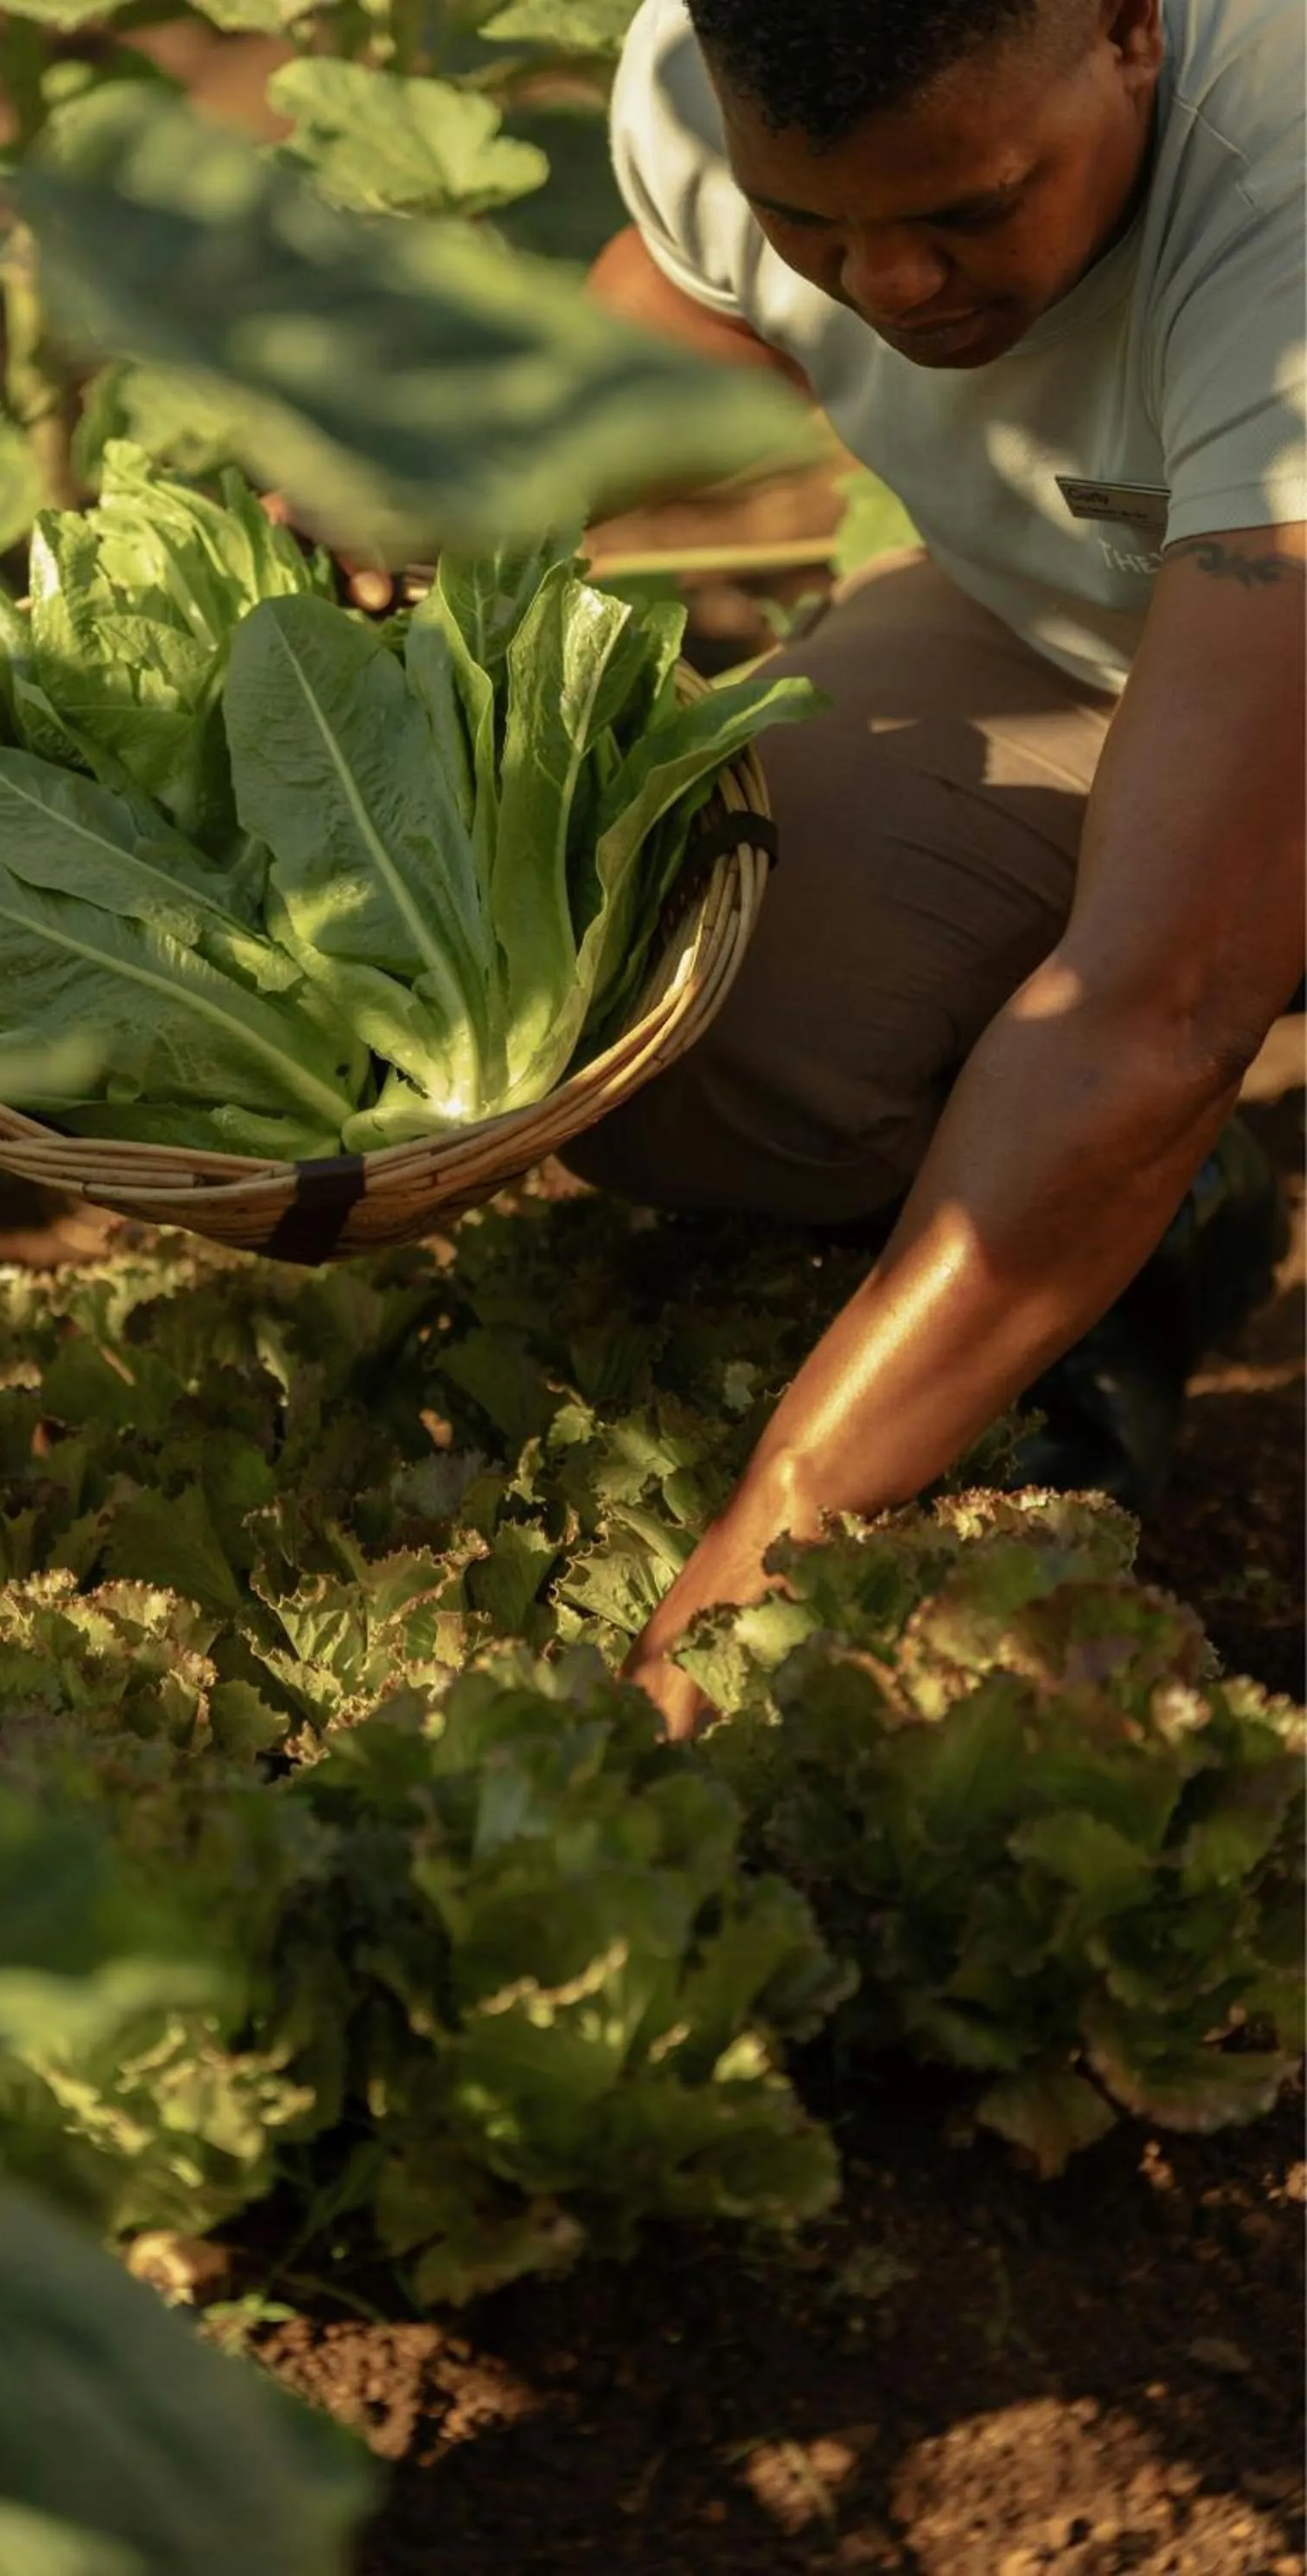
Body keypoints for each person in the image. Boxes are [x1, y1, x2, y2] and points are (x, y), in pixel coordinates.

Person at [568, 0, 1304, 1735]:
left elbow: (1157, 998)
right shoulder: (710, 64)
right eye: (813, 226)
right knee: (685, 987)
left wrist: (773, 1539)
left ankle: (1085, 1196)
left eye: (965, 213)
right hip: (1097, 636)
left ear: (1129, 31)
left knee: (1141, 1020)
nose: (886, 289)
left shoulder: (1280, 219)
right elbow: (681, 305)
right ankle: (1132, 1237)